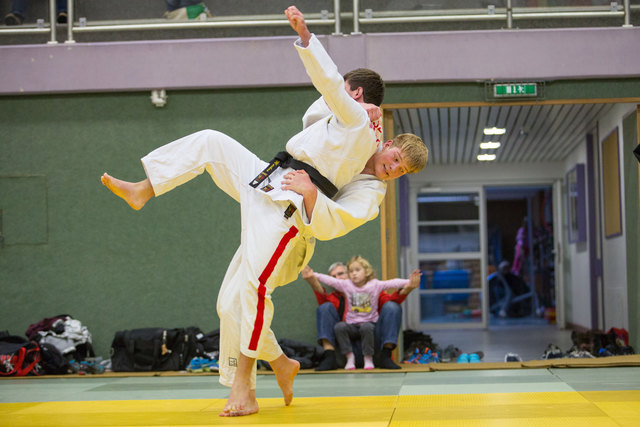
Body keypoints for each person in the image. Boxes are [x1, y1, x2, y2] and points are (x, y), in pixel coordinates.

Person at [101, 5, 428, 417]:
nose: (392, 169)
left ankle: (245, 385)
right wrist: (349, 104)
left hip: (290, 212)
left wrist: (307, 38)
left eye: (400, 171)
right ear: (389, 143)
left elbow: (339, 220)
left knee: (253, 290)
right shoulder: (360, 121)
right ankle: (146, 188)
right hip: (269, 178)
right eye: (396, 159)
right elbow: (322, 105)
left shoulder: (366, 156)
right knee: (210, 142)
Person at [305, 256, 421, 370]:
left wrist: (408, 286)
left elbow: (392, 301)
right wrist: (313, 278)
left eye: (340, 274)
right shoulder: (334, 298)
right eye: (334, 276)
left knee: (392, 307)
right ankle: (329, 357)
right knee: (325, 308)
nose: (337, 278)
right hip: (346, 348)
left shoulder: (372, 289)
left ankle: (385, 355)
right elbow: (323, 306)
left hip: (373, 344)